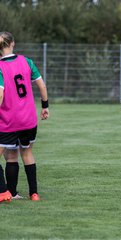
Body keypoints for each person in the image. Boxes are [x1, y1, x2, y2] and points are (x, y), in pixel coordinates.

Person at [0, 31, 49, 201]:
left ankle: (10, 192)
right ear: (12, 43)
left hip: (9, 120)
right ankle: (33, 193)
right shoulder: (27, 61)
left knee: (11, 156)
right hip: (29, 120)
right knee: (27, 154)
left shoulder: (0, 67)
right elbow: (41, 86)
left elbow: (0, 94)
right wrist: (45, 106)